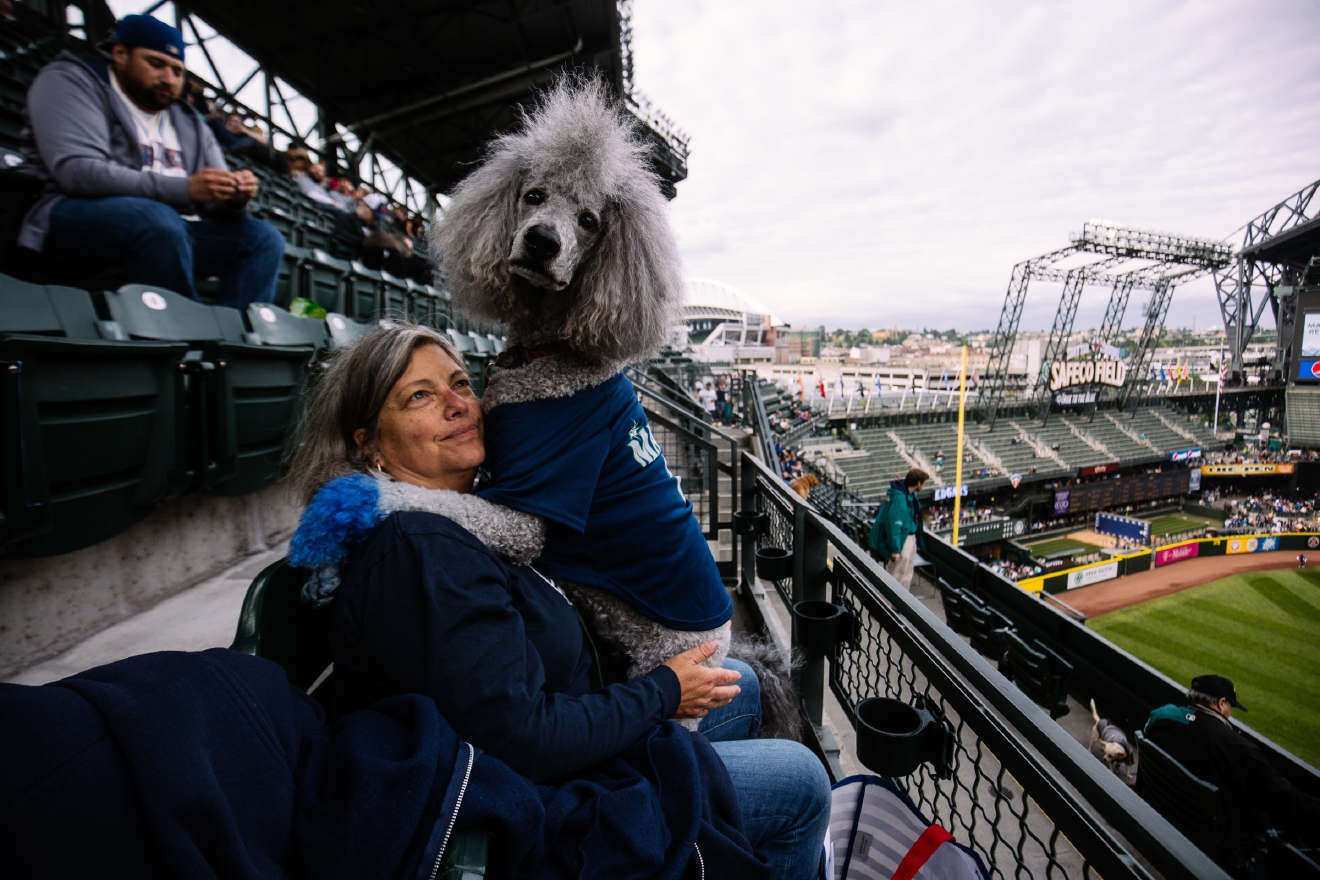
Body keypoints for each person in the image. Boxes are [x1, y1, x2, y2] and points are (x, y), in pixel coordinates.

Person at [283, 324, 831, 880]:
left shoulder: (463, 518)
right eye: (419, 397)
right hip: (547, 795)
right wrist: (663, 690)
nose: (457, 404)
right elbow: (519, 739)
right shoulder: (421, 550)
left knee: (746, 684)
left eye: (460, 383)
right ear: (370, 444)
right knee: (802, 783)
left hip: (571, 732)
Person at [17, 15, 284, 309]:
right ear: (120, 54)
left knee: (264, 238)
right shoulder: (72, 79)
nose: (169, 79)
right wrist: (186, 190)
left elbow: (212, 199)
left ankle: (235, 346)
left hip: (171, 227)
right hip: (71, 213)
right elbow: (77, 172)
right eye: (156, 64)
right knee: (156, 220)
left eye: (177, 71)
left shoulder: (189, 121)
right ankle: (187, 338)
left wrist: (234, 196)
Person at [1143, 675, 1320, 849]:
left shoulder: (1161, 716)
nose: (1231, 712)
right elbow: (1285, 800)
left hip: (1163, 810)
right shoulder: (1236, 747)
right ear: (1221, 703)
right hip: (1208, 835)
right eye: (1231, 706)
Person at [869, 468, 929, 588]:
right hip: (903, 539)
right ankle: (888, 603)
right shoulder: (900, 498)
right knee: (897, 574)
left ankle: (901, 604)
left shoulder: (908, 494)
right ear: (918, 483)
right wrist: (895, 549)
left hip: (910, 537)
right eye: (923, 482)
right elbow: (894, 525)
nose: (924, 485)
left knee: (907, 573)